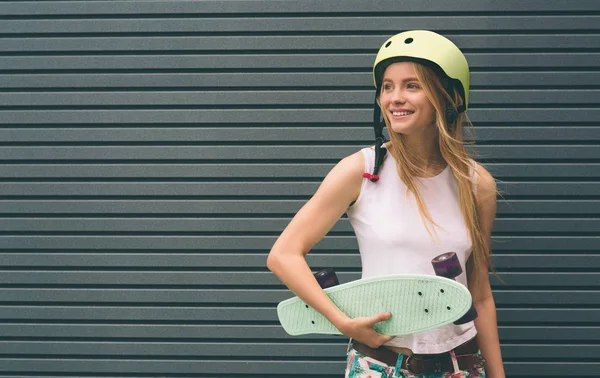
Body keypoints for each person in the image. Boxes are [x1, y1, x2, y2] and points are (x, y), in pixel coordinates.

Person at [267, 30, 505, 378]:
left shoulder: (476, 183)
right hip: (381, 366)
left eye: (412, 85)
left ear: (450, 96)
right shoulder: (362, 170)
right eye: (387, 86)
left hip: (461, 366)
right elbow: (283, 255)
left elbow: (480, 296)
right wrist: (344, 323)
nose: (395, 98)